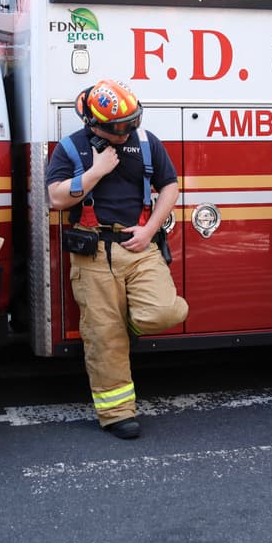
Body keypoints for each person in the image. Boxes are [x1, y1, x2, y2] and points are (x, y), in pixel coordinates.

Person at [46, 80, 188, 439]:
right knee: (104, 339)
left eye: (132, 122)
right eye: (118, 127)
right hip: (93, 254)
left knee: (165, 312)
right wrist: (96, 171)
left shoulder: (145, 142)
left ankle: (129, 321)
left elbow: (170, 186)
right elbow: (56, 198)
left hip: (140, 246)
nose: (127, 132)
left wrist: (150, 228)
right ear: (93, 124)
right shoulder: (71, 148)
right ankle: (116, 414)